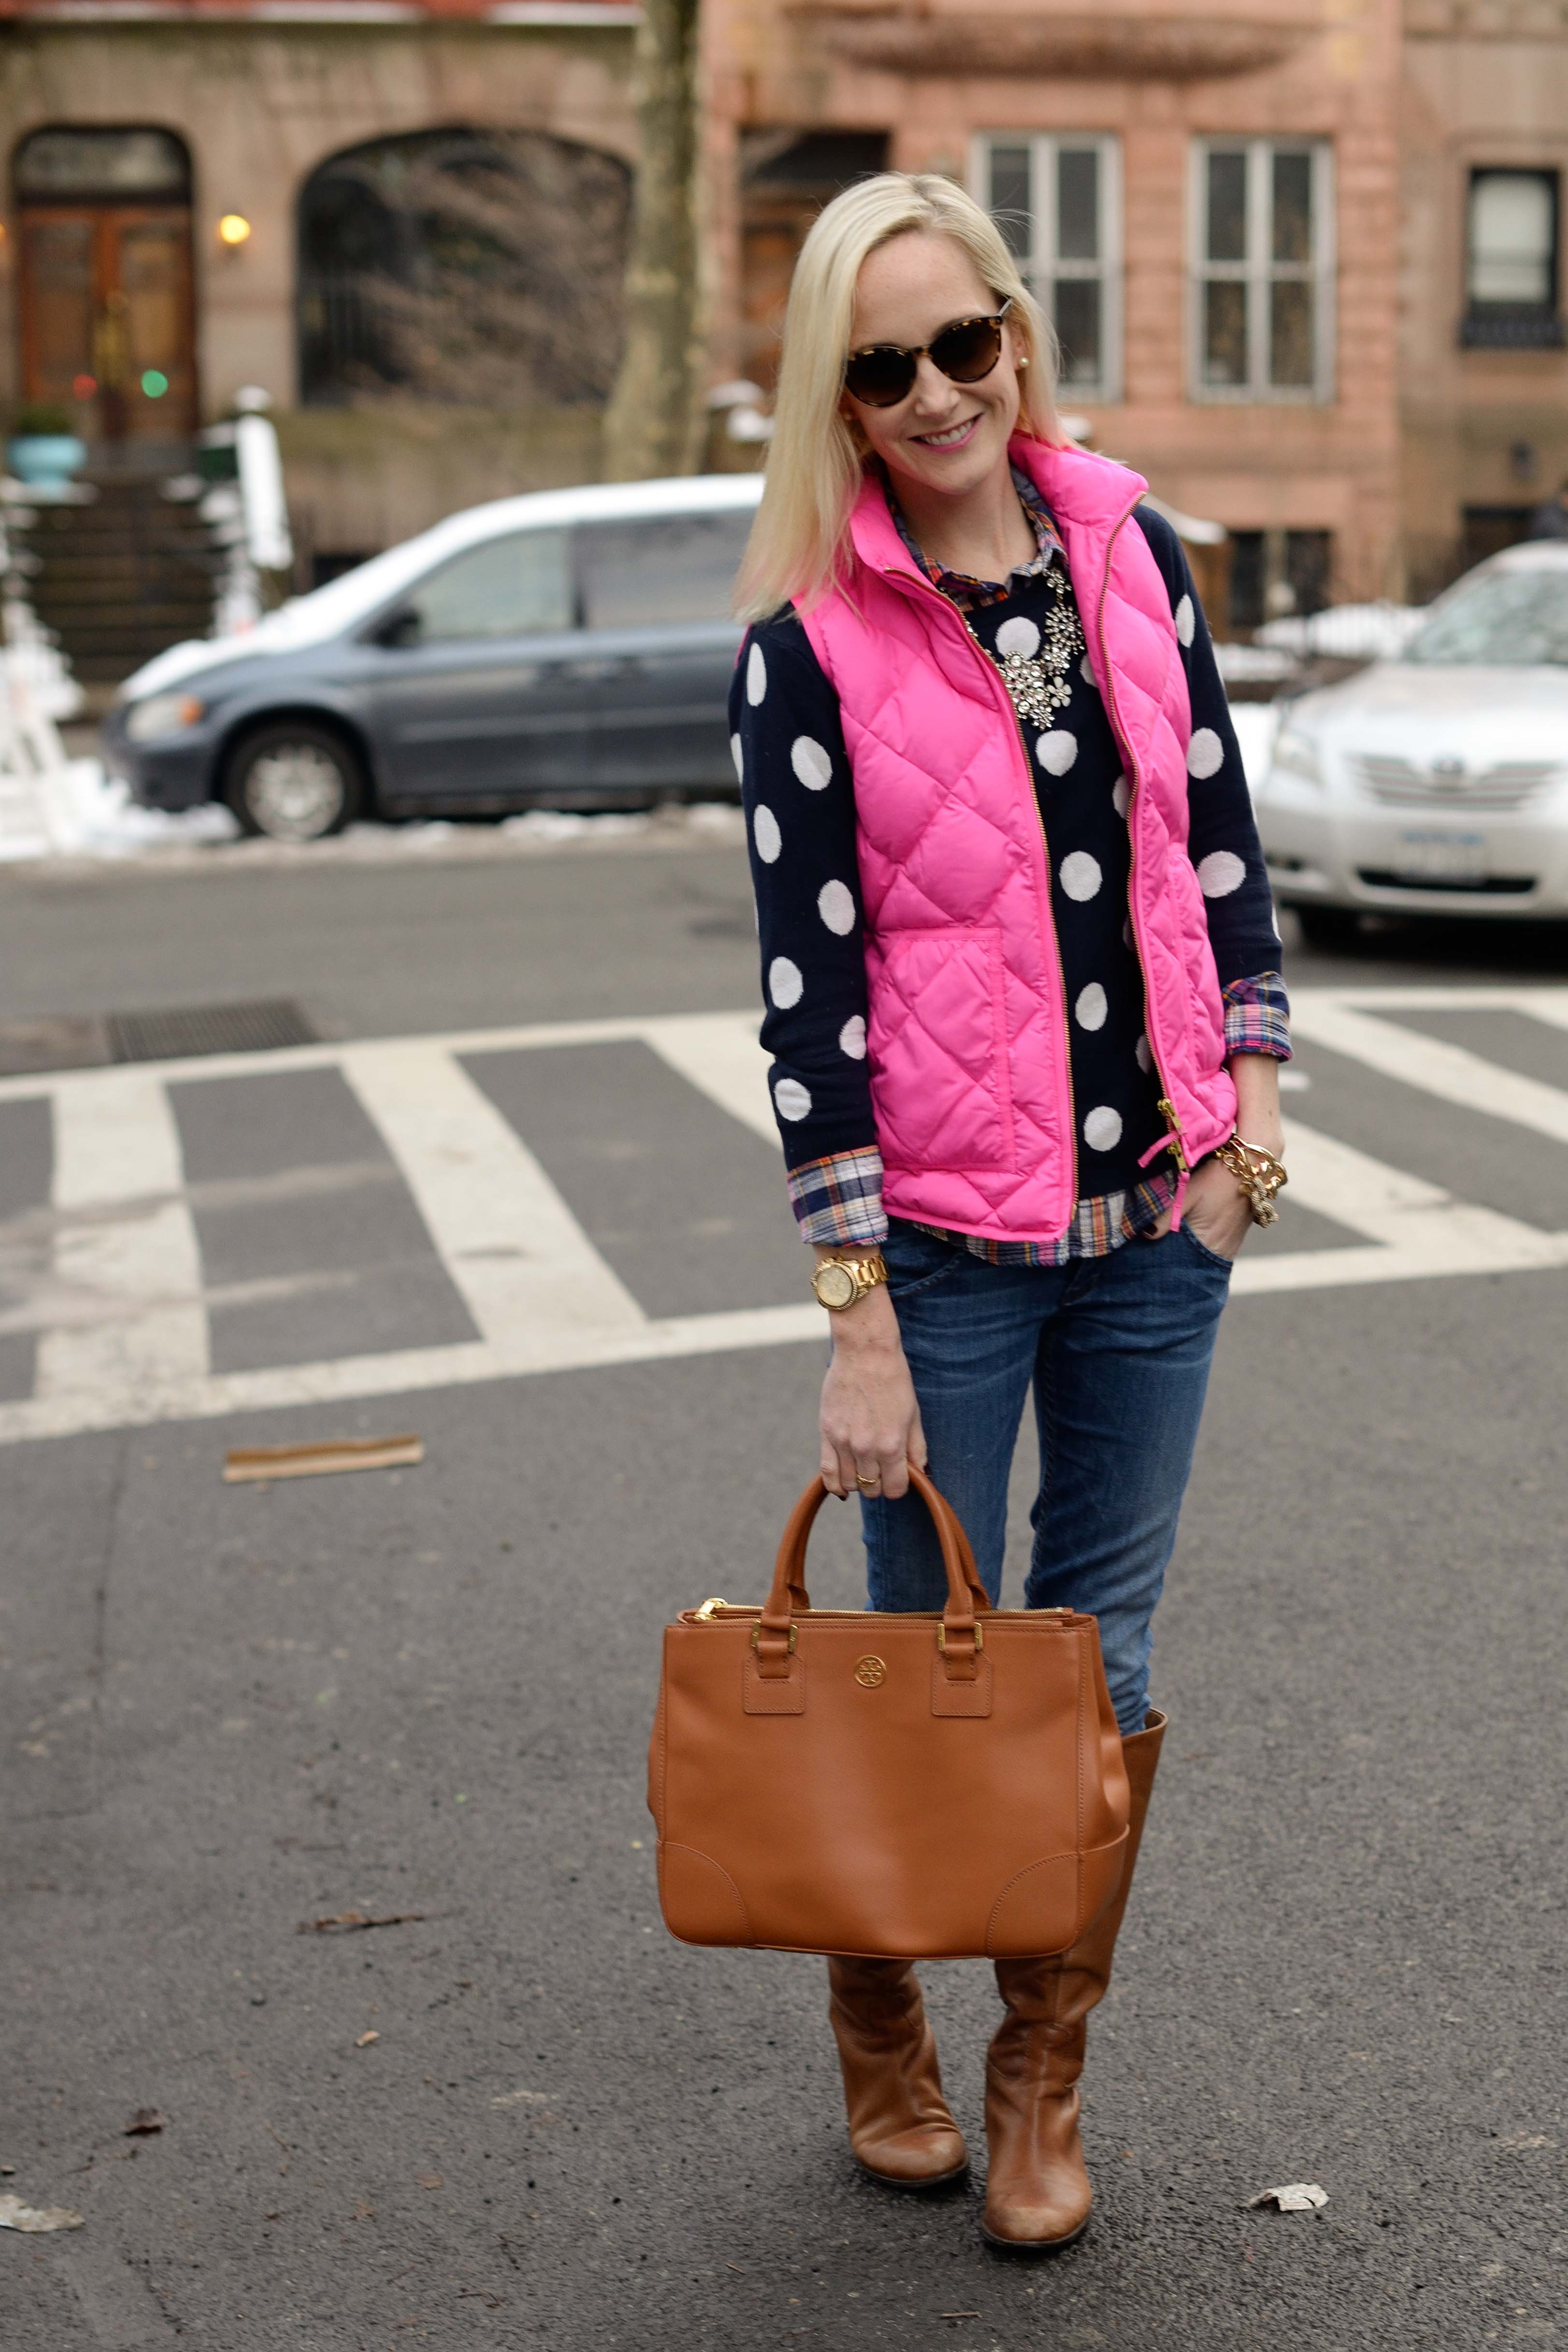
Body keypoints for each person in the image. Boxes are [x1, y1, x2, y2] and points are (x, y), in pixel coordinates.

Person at [729, 173, 1291, 2253]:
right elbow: (808, 997)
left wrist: (1245, 1119)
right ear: (838, 401)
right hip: (946, 1260)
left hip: (1156, 1229)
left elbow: (1212, 834)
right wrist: (853, 1308)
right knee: (918, 1660)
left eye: (961, 343)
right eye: (882, 368)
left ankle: (1040, 2065)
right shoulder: (806, 648)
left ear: (1013, 333)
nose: (937, 392)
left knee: (1100, 1652)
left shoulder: (1128, 551)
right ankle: (873, 2001)